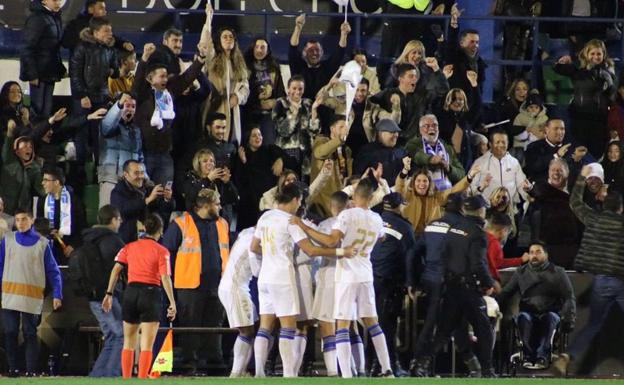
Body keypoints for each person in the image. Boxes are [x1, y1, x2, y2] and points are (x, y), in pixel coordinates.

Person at [291, 179, 395, 378]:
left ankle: (346, 375)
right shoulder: (376, 218)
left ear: (354, 192)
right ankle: (387, 369)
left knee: (343, 325)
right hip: (366, 274)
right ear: (372, 197)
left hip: (347, 275)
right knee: (372, 323)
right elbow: (382, 237)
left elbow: (330, 241)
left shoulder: (347, 215)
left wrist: (303, 227)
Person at [250, 183, 354, 378]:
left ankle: (259, 373)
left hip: (264, 277)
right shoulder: (291, 221)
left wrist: (272, 253)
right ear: (296, 199)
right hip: (282, 278)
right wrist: (342, 251)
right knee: (289, 327)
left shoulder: (265, 217)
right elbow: (312, 250)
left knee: (265, 326)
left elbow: (254, 247)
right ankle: (290, 375)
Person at [553, 165, 624, 376]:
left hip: (600, 281)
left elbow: (574, 202)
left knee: (593, 324)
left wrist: (581, 178)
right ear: (620, 208)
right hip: (620, 280)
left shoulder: (594, 218)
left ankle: (567, 356)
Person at [427, 195, 496, 377]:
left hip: (450, 286)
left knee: (444, 331)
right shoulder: (478, 234)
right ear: (481, 211)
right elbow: (477, 264)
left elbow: (443, 255)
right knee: (484, 329)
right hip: (468, 289)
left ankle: (420, 364)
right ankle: (487, 370)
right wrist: (488, 283)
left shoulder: (454, 228)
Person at [162, 188, 229, 373]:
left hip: (217, 284)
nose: (220, 207)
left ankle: (214, 364)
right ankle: (189, 364)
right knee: (190, 327)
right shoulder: (181, 224)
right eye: (217, 204)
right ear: (205, 205)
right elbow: (166, 253)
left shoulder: (222, 223)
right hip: (189, 285)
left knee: (214, 327)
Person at [102, 213, 176, 379]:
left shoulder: (129, 247)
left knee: (128, 342)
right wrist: (172, 302)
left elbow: (116, 269)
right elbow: (165, 277)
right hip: (150, 294)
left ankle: (127, 379)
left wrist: (109, 293)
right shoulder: (162, 251)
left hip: (131, 293)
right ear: (160, 231)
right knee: (147, 345)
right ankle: (142, 379)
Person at [0, 208, 62, 377]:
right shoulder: (8, 239)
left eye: (24, 219)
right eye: (18, 220)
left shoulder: (43, 243)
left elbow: (53, 270)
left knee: (29, 333)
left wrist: (58, 293)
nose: (20, 223)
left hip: (31, 297)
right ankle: (13, 368)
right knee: (11, 332)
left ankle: (31, 370)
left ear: (31, 220)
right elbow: (0, 265)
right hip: (9, 294)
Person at [407, 193, 464, 376]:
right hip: (447, 282)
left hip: (428, 280)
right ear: (462, 208)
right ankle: (420, 362)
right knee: (440, 324)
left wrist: (411, 282)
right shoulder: (461, 227)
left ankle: (420, 362)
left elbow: (412, 254)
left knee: (433, 323)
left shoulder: (432, 225)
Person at [133, 43, 204, 185]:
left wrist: (200, 60)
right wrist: (145, 58)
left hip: (165, 155)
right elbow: (138, 82)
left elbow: (186, 78)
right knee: (145, 193)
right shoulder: (142, 95)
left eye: (166, 76)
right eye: (161, 76)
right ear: (150, 79)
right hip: (146, 154)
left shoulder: (169, 93)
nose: (165, 79)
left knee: (165, 195)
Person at [499, 242, 576, 370]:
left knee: (550, 318)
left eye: (538, 252)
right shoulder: (521, 272)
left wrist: (569, 318)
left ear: (546, 255)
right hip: (528, 312)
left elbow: (569, 296)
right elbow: (506, 292)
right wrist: (493, 303)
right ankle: (527, 356)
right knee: (522, 318)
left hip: (551, 311)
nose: (534, 255)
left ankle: (542, 356)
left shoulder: (558, 272)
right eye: (531, 252)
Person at [370, 192, 416, 376]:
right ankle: (387, 365)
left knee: (372, 324)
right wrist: (411, 283)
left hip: (370, 279)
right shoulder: (404, 227)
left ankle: (372, 365)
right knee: (388, 325)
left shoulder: (374, 221)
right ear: (399, 206)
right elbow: (410, 258)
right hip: (390, 283)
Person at [69, 16, 119, 184]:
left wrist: (113, 70)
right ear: (95, 32)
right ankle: (80, 173)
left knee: (101, 137)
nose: (110, 34)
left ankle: (100, 173)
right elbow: (75, 74)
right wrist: (82, 95)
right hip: (84, 99)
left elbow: (117, 70)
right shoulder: (82, 48)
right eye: (106, 31)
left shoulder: (110, 49)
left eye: (111, 31)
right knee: (81, 135)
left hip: (102, 97)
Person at [554, 39, 616, 158]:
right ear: (586, 54)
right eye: (592, 53)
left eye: (598, 54)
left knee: (596, 152)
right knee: (579, 151)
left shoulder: (607, 73)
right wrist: (562, 62)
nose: (595, 57)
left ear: (603, 55)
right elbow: (558, 69)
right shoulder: (579, 70)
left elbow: (611, 95)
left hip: (599, 119)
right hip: (579, 118)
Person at [82, 205, 125, 377]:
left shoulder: (88, 239)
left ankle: (97, 376)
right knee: (120, 336)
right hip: (107, 296)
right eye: (119, 219)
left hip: (92, 296)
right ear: (113, 220)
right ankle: (111, 376)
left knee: (112, 337)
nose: (120, 222)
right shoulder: (113, 240)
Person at [200, 4, 250, 143]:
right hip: (215, 107)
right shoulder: (213, 59)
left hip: (233, 110)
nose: (228, 39)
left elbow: (245, 87)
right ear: (219, 41)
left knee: (230, 144)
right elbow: (205, 45)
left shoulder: (239, 63)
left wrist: (238, 97)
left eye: (231, 37)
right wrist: (208, 19)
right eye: (225, 37)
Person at [311, 191, 349, 377]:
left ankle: (333, 373)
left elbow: (318, 253)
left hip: (329, 277)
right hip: (351, 277)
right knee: (349, 327)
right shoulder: (356, 222)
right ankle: (354, 370)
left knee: (328, 325)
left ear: (331, 206)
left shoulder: (325, 226)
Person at [395, 156, 481, 234]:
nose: (422, 184)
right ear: (413, 183)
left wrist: (469, 177)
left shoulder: (436, 197)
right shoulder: (408, 195)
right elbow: (399, 187)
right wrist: (405, 170)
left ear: (429, 183)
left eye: (425, 181)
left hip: (430, 238)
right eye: (418, 181)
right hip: (410, 237)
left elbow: (453, 190)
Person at [526, 158, 583, 269]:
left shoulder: (574, 191)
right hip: (549, 246)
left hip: (571, 247)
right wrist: (530, 190)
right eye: (553, 170)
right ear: (548, 172)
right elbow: (537, 193)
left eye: (559, 170)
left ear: (567, 173)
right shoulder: (543, 189)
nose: (556, 173)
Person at [218, 226, 258, 377]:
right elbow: (256, 271)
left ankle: (241, 372)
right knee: (246, 331)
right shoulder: (253, 241)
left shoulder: (246, 233)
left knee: (251, 328)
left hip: (233, 286)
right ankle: (235, 374)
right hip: (235, 288)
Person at [371, 62, 449, 140]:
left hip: (414, 143)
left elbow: (442, 90)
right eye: (411, 76)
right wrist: (380, 113)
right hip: (393, 142)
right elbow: (370, 102)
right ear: (400, 79)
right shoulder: (388, 93)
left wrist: (436, 69)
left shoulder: (422, 96)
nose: (415, 79)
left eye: (415, 76)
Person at [20, 0, 66, 118]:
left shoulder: (54, 17)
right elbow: (27, 48)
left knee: (46, 110)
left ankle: (44, 135)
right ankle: (34, 135)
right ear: (44, 1)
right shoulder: (37, 18)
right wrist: (32, 74)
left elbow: (54, 47)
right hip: (39, 74)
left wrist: (59, 67)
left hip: (50, 72)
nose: (59, 2)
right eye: (55, 0)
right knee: (37, 109)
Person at [233, 127, 286, 229]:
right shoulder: (241, 155)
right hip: (249, 206)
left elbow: (289, 159)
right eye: (254, 135)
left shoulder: (270, 151)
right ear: (248, 138)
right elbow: (241, 181)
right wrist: (244, 162)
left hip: (268, 201)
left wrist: (280, 160)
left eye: (259, 135)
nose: (258, 138)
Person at [110, 160, 174, 243]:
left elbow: (165, 209)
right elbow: (123, 209)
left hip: (151, 237)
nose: (140, 176)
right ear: (126, 175)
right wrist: (147, 200)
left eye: (142, 172)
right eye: (136, 173)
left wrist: (167, 199)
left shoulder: (148, 188)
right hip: (128, 239)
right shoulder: (118, 191)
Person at [288, 13, 350, 99]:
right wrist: (298, 28)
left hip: (322, 107)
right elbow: (293, 48)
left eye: (317, 50)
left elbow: (339, 52)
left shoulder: (327, 68)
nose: (314, 53)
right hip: (300, 107)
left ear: (322, 52)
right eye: (310, 50)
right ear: (304, 52)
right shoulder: (298, 67)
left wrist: (344, 35)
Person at [98, 93, 143, 207]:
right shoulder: (109, 126)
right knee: (108, 215)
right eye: (127, 105)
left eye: (133, 107)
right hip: (111, 178)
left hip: (130, 181)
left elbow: (139, 155)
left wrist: (144, 175)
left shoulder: (136, 130)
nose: (130, 109)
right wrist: (118, 105)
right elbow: (108, 123)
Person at [272, 75, 322, 177]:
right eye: (294, 88)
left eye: (300, 89)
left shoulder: (308, 103)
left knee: (304, 186)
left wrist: (313, 110)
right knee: (289, 183)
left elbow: (315, 131)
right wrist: (293, 115)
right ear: (288, 89)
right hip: (286, 151)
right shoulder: (281, 103)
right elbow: (282, 131)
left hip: (306, 152)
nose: (297, 92)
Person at [36, 167, 87, 263]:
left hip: (69, 248)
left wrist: (73, 246)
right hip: (47, 246)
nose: (42, 183)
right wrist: (47, 231)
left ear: (56, 182)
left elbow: (82, 227)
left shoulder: (75, 201)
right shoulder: (42, 201)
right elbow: (38, 225)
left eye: (46, 180)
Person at [405, 114, 465, 191]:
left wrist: (448, 168)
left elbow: (461, 173)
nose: (431, 128)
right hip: (422, 192)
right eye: (426, 126)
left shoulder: (448, 148)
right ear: (420, 130)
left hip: (445, 193)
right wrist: (431, 159)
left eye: (434, 125)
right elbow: (417, 156)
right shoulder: (413, 144)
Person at [524, 118, 591, 187]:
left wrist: (578, 161)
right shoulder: (534, 147)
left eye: (562, 129)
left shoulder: (571, 147)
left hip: (566, 191)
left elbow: (577, 174)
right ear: (547, 130)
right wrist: (557, 155)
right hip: (543, 189)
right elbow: (533, 167)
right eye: (555, 129)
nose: (560, 132)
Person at [470, 130, 529, 207]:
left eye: (503, 142)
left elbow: (522, 184)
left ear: (508, 144)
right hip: (487, 209)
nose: (501, 145)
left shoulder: (514, 162)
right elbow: (472, 188)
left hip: (509, 209)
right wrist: (481, 188)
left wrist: (528, 195)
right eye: (497, 142)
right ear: (490, 144)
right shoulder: (479, 163)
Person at [309, 115, 352, 218]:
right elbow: (319, 153)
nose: (345, 130)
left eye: (346, 127)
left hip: (340, 197)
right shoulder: (321, 140)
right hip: (323, 199)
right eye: (341, 127)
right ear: (332, 129)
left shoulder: (347, 150)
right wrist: (339, 140)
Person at [243, 37, 284, 144]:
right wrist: (258, 103)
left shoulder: (274, 67)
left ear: (268, 50)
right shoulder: (244, 66)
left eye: (263, 47)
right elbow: (242, 92)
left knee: (268, 144)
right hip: (249, 113)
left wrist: (276, 103)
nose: (259, 50)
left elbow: (280, 92)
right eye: (257, 47)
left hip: (269, 115)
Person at [182, 149, 238, 224]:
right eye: (205, 161)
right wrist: (207, 179)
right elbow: (191, 197)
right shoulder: (190, 178)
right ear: (198, 164)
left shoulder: (217, 180)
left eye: (211, 161)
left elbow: (234, 198)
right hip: (197, 222)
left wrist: (227, 182)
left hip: (217, 222)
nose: (209, 163)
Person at [0, 125, 45, 215]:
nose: (28, 149)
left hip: (23, 212)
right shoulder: (9, 161)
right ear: (17, 151)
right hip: (5, 210)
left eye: (30, 147)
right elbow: (7, 145)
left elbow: (40, 188)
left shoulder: (35, 168)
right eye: (24, 146)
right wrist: (10, 131)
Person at [62, 0, 133, 56]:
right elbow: (66, 43)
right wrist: (87, 41)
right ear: (90, 9)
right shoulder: (74, 25)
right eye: (101, 8)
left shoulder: (101, 26)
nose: (105, 12)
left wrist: (123, 44)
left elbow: (111, 38)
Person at [353, 119, 410, 187]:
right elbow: (357, 175)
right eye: (392, 132)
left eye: (397, 132)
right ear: (381, 134)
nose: (396, 135)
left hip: (397, 193)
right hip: (374, 193)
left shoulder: (401, 152)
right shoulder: (367, 151)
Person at [511, 91, 548, 162]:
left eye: (536, 107)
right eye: (531, 107)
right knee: (518, 156)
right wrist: (526, 132)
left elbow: (547, 134)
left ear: (540, 108)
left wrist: (538, 136)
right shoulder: (520, 117)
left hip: (538, 145)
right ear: (527, 107)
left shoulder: (544, 118)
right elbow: (515, 133)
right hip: (520, 145)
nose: (533, 109)